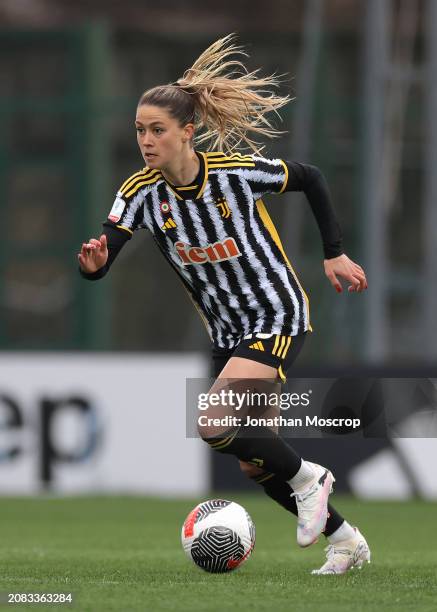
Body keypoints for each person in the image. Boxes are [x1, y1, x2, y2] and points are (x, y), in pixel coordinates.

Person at [78, 34, 370, 574]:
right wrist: (93, 265)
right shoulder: (140, 192)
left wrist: (335, 253)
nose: (146, 140)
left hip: (277, 313)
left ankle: (312, 479)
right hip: (226, 333)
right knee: (254, 462)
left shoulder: (234, 173)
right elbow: (105, 250)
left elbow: (310, 177)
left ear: (188, 133)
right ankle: (346, 540)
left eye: (157, 130)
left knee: (213, 421)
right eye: (140, 130)